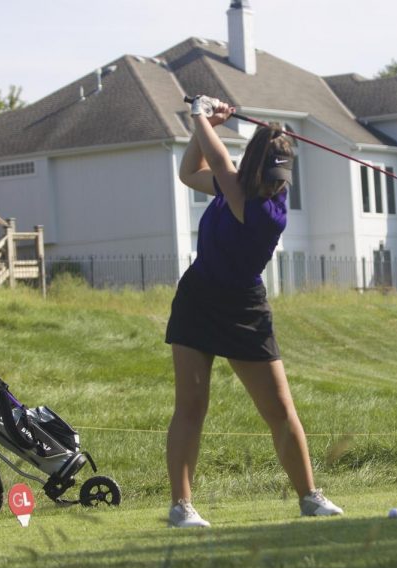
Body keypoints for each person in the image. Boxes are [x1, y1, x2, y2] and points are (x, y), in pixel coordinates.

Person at [164, 95, 343, 528]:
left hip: (244, 307)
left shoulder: (268, 211)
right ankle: (181, 507)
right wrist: (201, 127)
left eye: (281, 179)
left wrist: (202, 116)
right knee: (191, 405)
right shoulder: (235, 187)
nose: (276, 186)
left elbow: (220, 160)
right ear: (255, 169)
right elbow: (191, 172)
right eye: (270, 177)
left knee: (280, 409)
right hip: (198, 300)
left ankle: (309, 496)